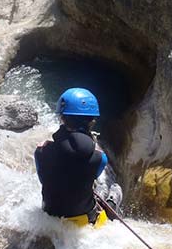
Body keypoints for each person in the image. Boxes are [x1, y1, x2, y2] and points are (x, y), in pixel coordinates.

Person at [34, 88, 122, 228]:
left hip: (50, 215)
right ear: (92, 122)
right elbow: (88, 178)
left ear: (62, 118)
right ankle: (111, 220)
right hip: (84, 220)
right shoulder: (100, 158)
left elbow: (43, 179)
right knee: (112, 189)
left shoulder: (41, 151)